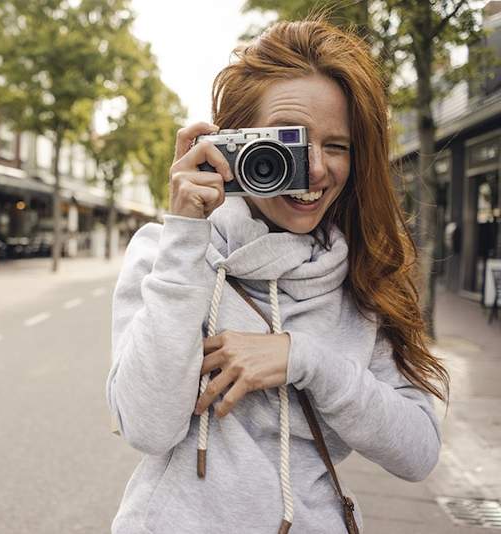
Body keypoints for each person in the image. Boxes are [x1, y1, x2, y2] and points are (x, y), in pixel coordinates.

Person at [106, 18, 449, 534]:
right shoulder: (166, 252)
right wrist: (183, 236)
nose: (313, 170)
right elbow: (147, 427)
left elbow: (418, 451)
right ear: (231, 143)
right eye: (288, 143)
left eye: (336, 146)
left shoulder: (366, 277)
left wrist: (304, 358)